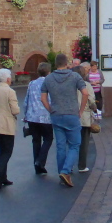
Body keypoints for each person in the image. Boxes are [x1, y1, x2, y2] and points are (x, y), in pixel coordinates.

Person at [41, 53, 88, 188]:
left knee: (60, 146)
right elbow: (85, 93)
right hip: (72, 114)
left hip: (56, 115)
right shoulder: (75, 76)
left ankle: (62, 173)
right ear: (67, 64)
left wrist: (50, 110)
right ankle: (66, 171)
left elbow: (43, 98)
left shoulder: (48, 78)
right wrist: (80, 110)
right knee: (75, 145)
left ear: (55, 64)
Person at [0, 68, 20, 188]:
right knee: (7, 151)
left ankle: (2, 177)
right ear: (7, 79)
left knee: (2, 150)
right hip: (6, 123)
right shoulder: (10, 91)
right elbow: (15, 110)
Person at [24, 62, 54, 174]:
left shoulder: (32, 83)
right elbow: (51, 99)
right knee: (48, 138)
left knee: (36, 140)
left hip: (32, 117)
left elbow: (26, 100)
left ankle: (37, 166)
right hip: (45, 116)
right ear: (49, 72)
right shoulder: (50, 83)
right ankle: (40, 161)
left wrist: (26, 115)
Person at [76, 63, 98, 173]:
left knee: (71, 143)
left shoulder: (69, 85)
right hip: (84, 117)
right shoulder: (86, 85)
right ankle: (82, 165)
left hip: (71, 116)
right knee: (84, 143)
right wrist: (95, 109)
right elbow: (91, 101)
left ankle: (68, 166)